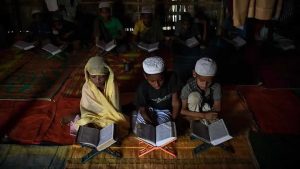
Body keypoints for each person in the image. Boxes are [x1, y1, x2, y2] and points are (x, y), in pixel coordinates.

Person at [73, 56, 130, 137]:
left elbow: (115, 110)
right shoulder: (86, 88)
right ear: (88, 75)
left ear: (107, 75)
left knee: (119, 123)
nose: (97, 80)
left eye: (101, 76)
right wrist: (91, 122)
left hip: (111, 116)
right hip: (93, 117)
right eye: (93, 77)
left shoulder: (112, 85)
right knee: (85, 123)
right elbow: (87, 112)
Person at [133, 56, 181, 130]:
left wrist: (173, 120)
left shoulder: (172, 78)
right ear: (145, 76)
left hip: (164, 111)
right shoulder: (143, 87)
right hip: (149, 110)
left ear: (164, 74)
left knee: (164, 130)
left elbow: (175, 102)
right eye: (152, 81)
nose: (157, 84)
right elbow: (143, 109)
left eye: (160, 80)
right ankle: (135, 116)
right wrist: (150, 123)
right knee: (140, 130)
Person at [180, 57, 221, 125]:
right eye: (201, 81)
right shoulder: (187, 88)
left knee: (216, 124)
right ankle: (197, 120)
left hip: (207, 109)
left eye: (208, 82)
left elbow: (217, 108)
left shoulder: (216, 86)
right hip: (193, 111)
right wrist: (204, 116)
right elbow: (182, 111)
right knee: (194, 97)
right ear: (194, 74)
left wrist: (210, 114)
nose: (205, 85)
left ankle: (195, 119)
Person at [172, 12, 203, 83]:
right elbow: (176, 37)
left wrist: (196, 41)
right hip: (182, 44)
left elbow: (199, 37)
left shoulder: (194, 25)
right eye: (184, 24)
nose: (186, 26)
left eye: (188, 24)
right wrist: (183, 42)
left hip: (192, 45)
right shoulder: (178, 24)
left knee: (196, 53)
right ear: (181, 22)